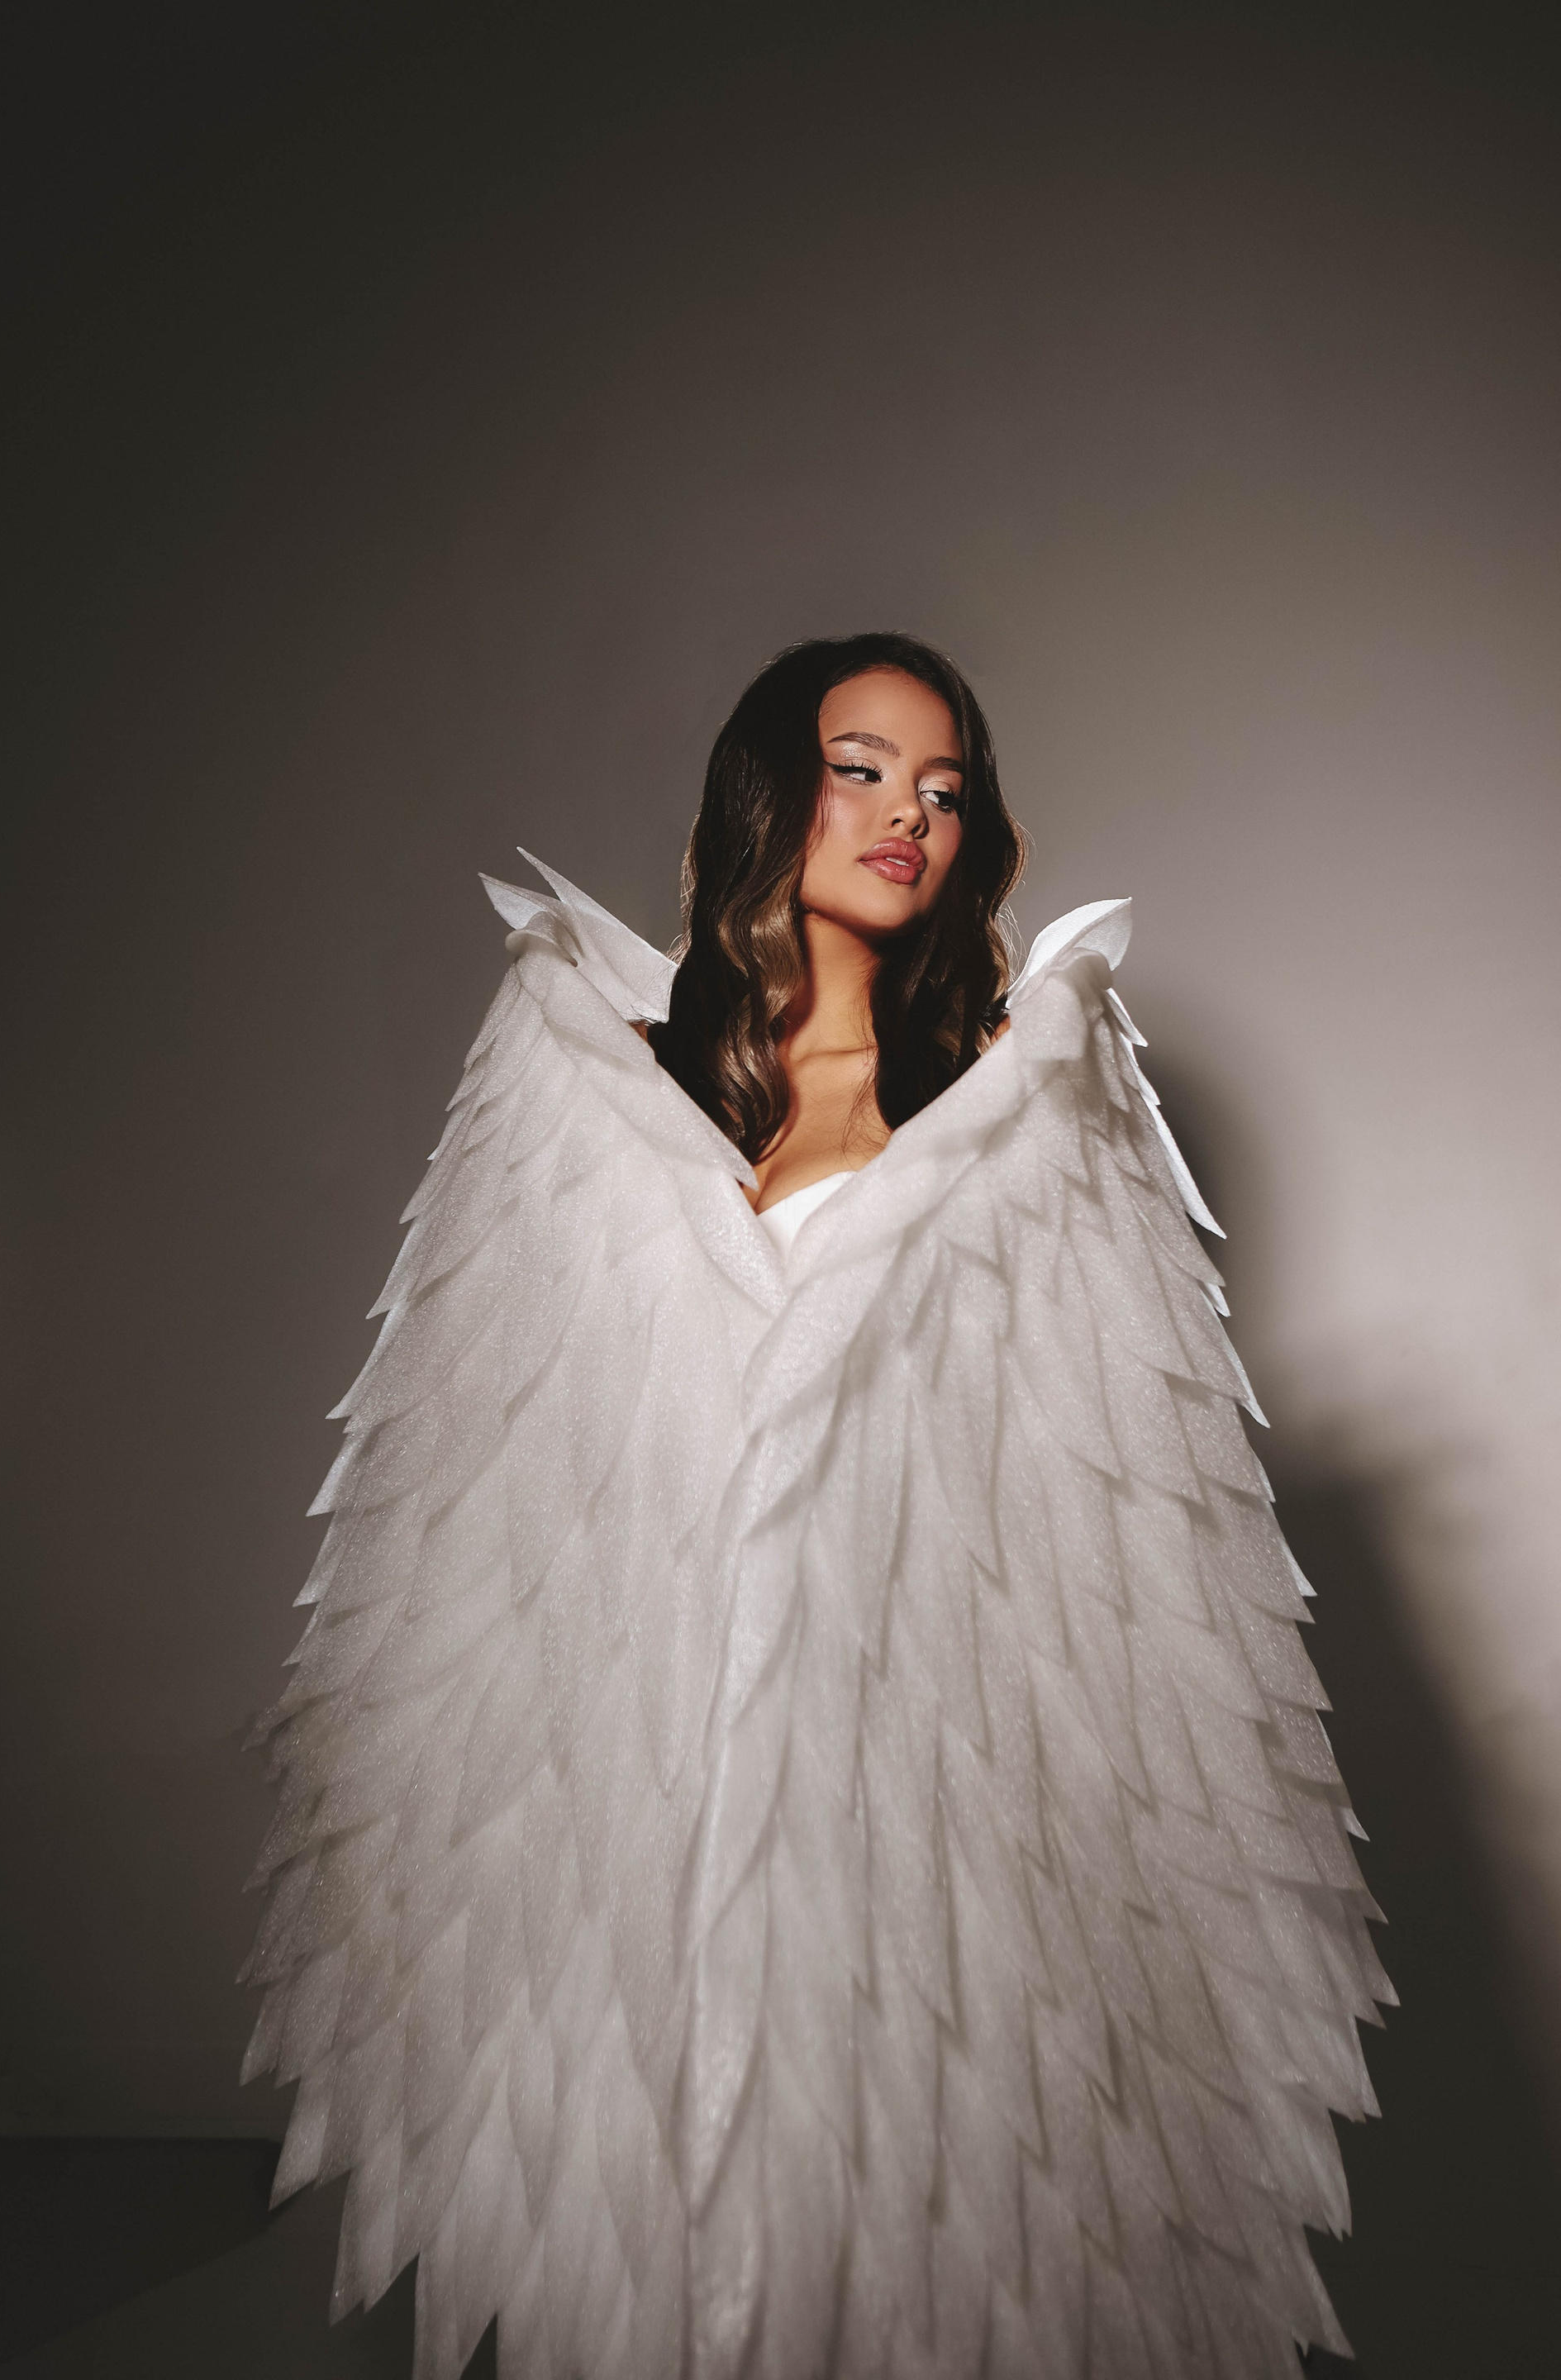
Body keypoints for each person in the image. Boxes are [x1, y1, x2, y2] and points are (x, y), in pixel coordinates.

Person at [243, 635, 1389, 2380]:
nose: (908, 814)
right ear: (773, 790)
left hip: (922, 1762)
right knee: (648, 2205)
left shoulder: (1020, 1095)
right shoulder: (602, 1086)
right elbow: (519, 1446)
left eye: (944, 789)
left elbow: (1083, 1474)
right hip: (645, 1751)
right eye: (862, 769)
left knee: (922, 2213)